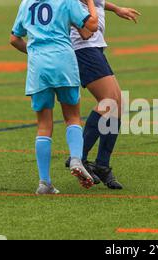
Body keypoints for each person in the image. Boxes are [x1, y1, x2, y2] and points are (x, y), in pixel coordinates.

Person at [10, 0, 99, 194]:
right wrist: (91, 2)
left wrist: (34, 50)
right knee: (72, 117)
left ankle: (44, 182)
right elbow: (92, 25)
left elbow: (14, 39)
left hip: (38, 67)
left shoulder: (26, 3)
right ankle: (76, 158)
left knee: (43, 125)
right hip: (63, 62)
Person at [65, 1, 140, 190]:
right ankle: (78, 157)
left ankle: (102, 165)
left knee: (117, 104)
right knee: (108, 102)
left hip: (94, 46)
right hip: (83, 47)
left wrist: (116, 9)